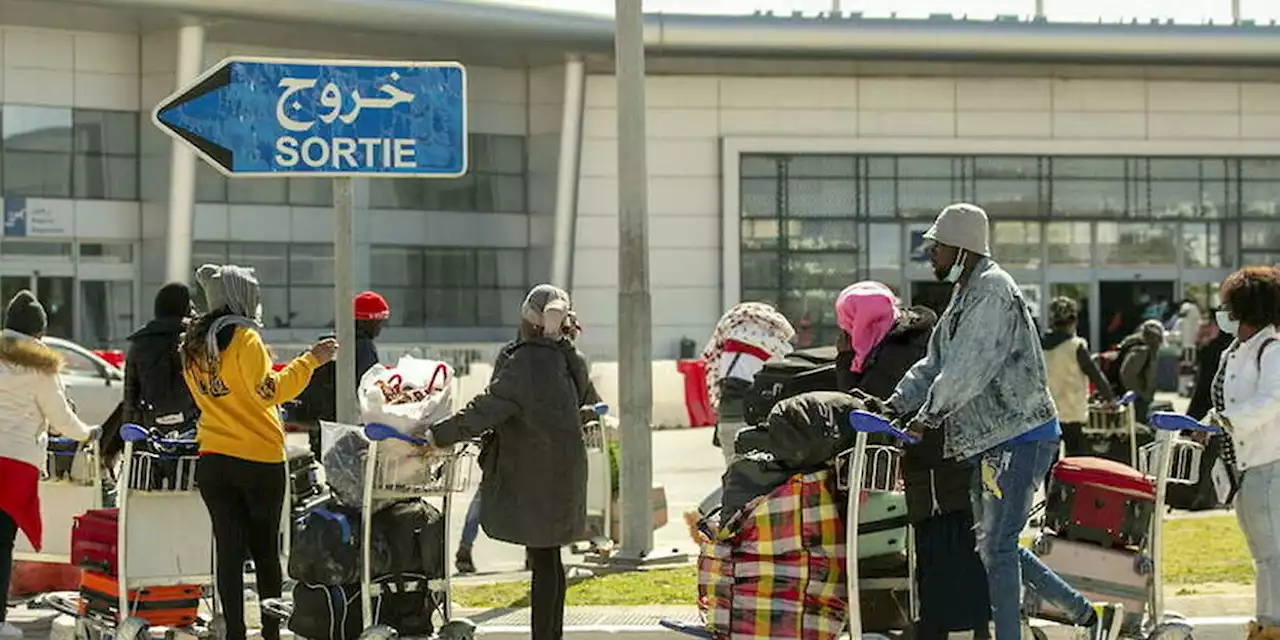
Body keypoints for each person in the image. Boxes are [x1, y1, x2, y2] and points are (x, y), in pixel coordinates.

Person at [881, 203, 1118, 640]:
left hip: (1022, 436)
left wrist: (926, 417)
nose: (931, 255)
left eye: (938, 247)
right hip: (992, 440)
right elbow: (935, 363)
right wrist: (893, 405)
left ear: (963, 248)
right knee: (991, 544)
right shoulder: (965, 293)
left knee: (998, 546)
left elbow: (968, 368)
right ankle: (1087, 616)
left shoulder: (991, 291)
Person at [425, 285, 599, 640]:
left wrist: (435, 435)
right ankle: (550, 634)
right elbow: (588, 399)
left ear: (528, 321)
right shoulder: (566, 356)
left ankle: (544, 636)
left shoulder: (527, 361)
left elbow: (487, 407)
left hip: (536, 473)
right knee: (549, 559)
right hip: (562, 470)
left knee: (543, 559)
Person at [179, 265, 337, 640]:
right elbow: (268, 391)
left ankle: (234, 631)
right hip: (258, 458)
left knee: (229, 552)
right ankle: (269, 631)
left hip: (214, 458)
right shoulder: (246, 338)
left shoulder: (194, 343)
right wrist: (310, 360)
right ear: (242, 297)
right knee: (266, 550)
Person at [833, 282, 990, 640]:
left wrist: (844, 360)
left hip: (937, 462)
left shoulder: (896, 353)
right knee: (963, 541)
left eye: (846, 322)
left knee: (941, 540)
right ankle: (966, 626)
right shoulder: (913, 336)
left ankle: (942, 626)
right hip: (953, 456)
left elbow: (860, 407)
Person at [454, 311, 590, 576]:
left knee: (499, 499)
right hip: (521, 450)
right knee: (494, 497)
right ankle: (467, 547)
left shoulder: (551, 358)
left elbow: (495, 400)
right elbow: (498, 400)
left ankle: (468, 547)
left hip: (521, 451)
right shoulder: (535, 360)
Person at [0, 291, 99, 639]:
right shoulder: (40, 367)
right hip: (14, 465)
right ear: (38, 334)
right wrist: (89, 434)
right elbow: (62, 421)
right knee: (1, 542)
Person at [1205, 267, 1280, 640]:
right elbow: (1223, 398)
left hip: (1267, 463)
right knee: (1261, 553)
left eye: (1229, 306)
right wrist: (1209, 422)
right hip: (1243, 465)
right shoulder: (1237, 349)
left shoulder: (1272, 348)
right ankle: (1265, 622)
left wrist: (1228, 421)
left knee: (1272, 554)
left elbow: (1272, 401)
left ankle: (1273, 625)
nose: (1224, 312)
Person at [291, 291, 389, 456]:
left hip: (316, 422)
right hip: (343, 426)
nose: (380, 328)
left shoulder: (324, 344)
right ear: (367, 321)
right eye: (379, 322)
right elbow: (369, 389)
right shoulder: (363, 347)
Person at [700, 302, 796, 464]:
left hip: (726, 418)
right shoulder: (773, 345)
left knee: (733, 475)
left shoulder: (727, 345)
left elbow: (714, 379)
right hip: (753, 421)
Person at [1042, 297, 1115, 457]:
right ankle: (1067, 483)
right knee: (1075, 458)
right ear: (1073, 321)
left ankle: (1051, 482)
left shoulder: (1040, 345)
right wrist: (1110, 398)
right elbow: (1094, 374)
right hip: (1071, 412)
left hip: (1047, 414)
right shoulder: (1076, 346)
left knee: (1048, 461)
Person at [122, 283, 197, 433]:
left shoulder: (139, 344)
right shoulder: (196, 340)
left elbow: (130, 397)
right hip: (193, 426)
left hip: (151, 426)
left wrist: (129, 433)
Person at [1117, 319, 1166, 424]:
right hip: (1136, 400)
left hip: (1140, 399)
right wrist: (1139, 394)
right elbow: (1126, 373)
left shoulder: (1148, 351)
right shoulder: (1142, 352)